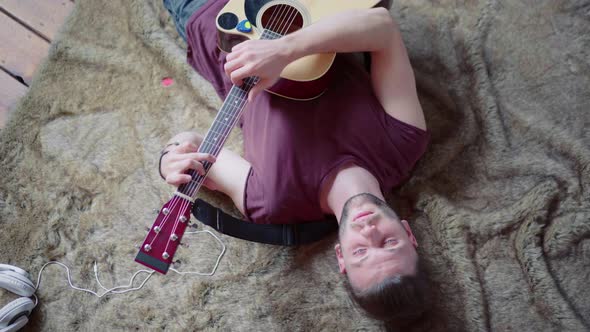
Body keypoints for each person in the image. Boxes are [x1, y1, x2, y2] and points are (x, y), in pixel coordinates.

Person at [161, 0, 431, 325]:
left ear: (341, 257)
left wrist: (170, 159)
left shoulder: (273, 201)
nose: (368, 230)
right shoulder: (404, 143)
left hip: (217, 20)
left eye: (361, 252)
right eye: (388, 242)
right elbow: (382, 27)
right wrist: (285, 50)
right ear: (409, 235)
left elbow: (192, 147)